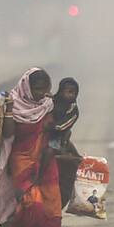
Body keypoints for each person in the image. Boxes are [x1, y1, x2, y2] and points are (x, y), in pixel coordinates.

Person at [0, 68, 67, 227]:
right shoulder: (13, 104)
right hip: (22, 161)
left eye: (45, 89)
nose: (41, 94)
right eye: (37, 89)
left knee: (51, 205)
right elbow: (8, 134)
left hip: (46, 160)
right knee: (31, 204)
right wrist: (9, 110)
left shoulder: (49, 105)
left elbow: (56, 134)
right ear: (27, 87)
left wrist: (52, 152)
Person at [41, 78, 81, 207]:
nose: (71, 95)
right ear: (61, 91)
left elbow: (65, 125)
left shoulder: (73, 109)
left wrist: (53, 127)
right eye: (68, 92)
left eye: (73, 93)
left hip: (57, 137)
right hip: (43, 134)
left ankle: (41, 172)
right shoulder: (53, 101)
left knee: (74, 161)